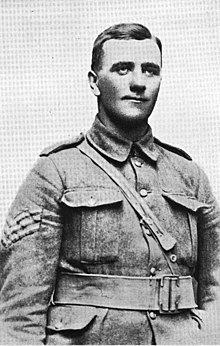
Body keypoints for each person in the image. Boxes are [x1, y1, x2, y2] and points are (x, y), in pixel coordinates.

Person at [0, 22, 220, 345]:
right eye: (122, 69)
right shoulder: (54, 173)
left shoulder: (191, 178)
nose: (138, 82)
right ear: (94, 82)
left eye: (150, 70)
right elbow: (19, 321)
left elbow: (216, 289)